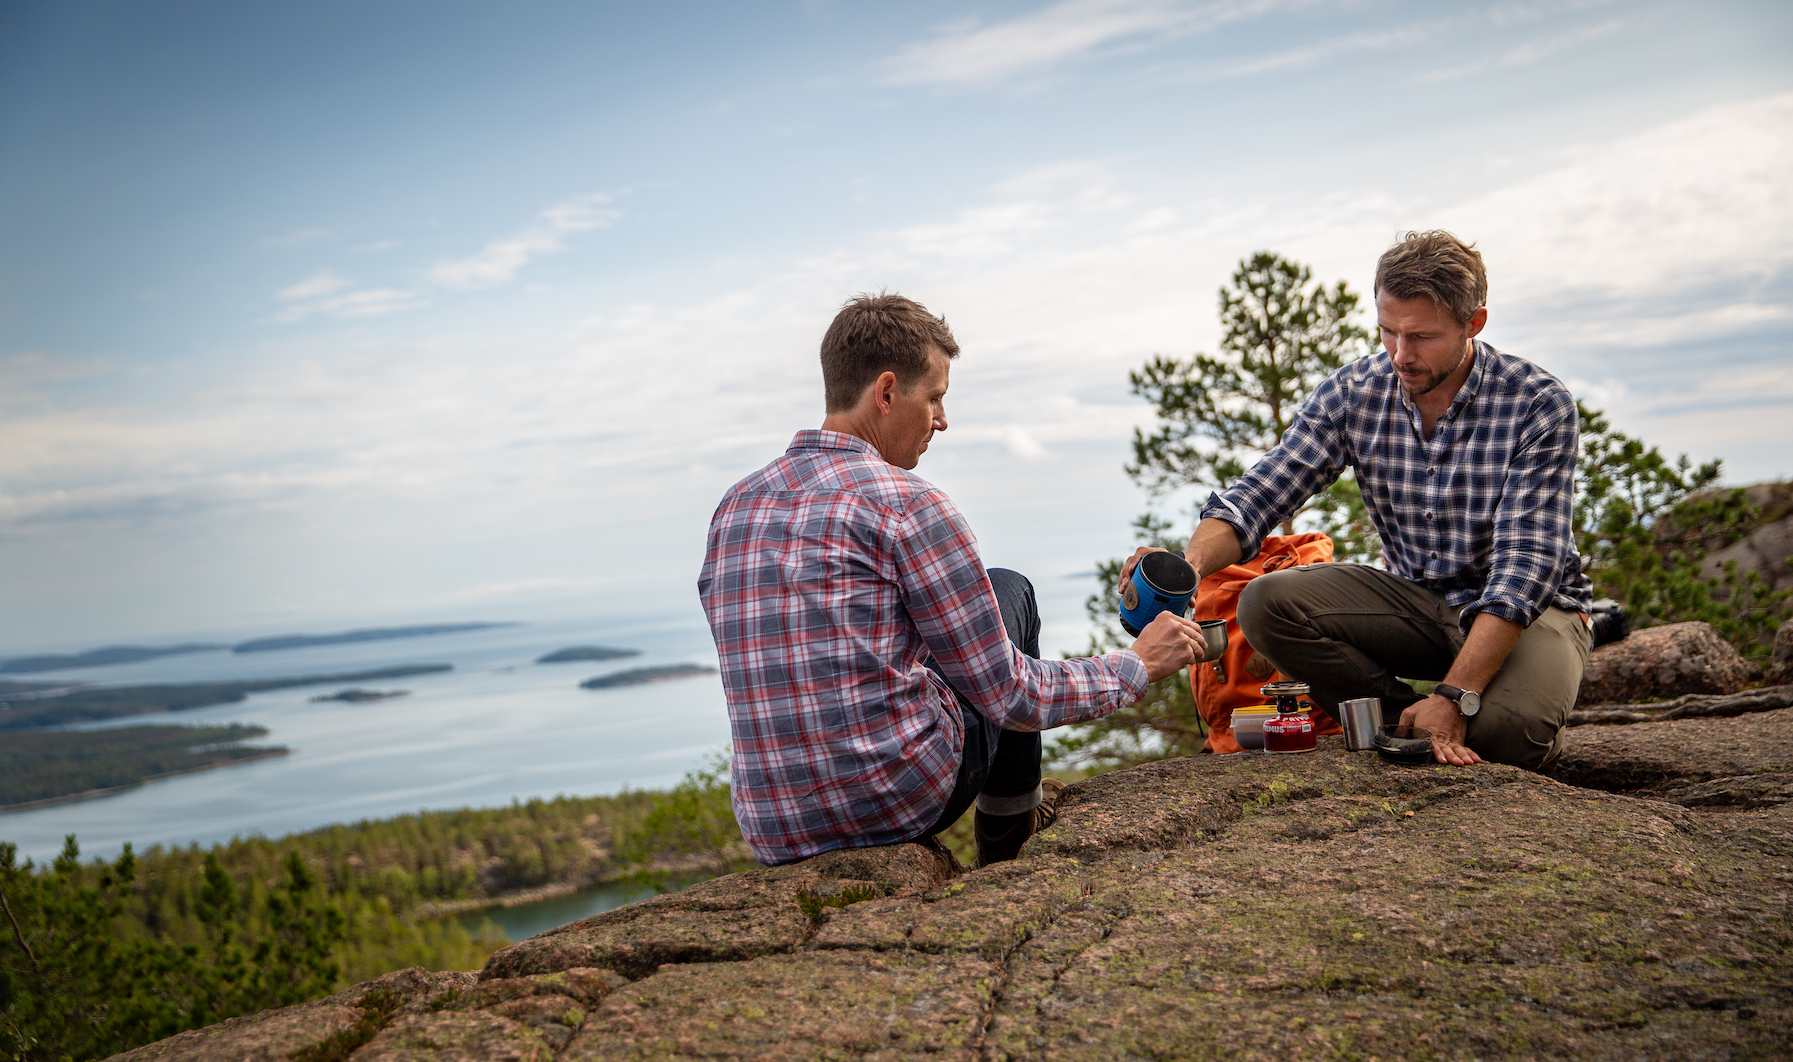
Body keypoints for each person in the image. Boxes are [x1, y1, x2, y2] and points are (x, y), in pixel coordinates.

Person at [699, 294, 1204, 868]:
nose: (942, 419)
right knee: (1009, 590)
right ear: (887, 393)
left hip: (774, 825)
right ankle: (1009, 849)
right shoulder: (909, 505)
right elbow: (1013, 695)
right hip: (894, 801)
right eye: (935, 397)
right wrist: (1136, 664)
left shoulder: (734, 507)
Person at [1125, 231, 1593, 771]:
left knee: (1508, 736)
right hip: (1418, 603)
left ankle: (1450, 719)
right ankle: (1407, 727)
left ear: (1474, 324)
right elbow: (1260, 494)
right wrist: (1183, 569)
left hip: (1533, 611)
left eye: (1421, 337)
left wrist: (1456, 695)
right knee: (1264, 603)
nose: (1400, 354)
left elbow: (1524, 569)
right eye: (1387, 331)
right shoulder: (1355, 393)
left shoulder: (1537, 402)